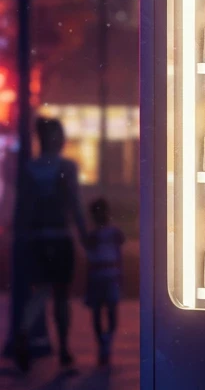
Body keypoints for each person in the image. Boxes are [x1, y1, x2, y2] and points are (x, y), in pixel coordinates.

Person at [13, 116, 87, 373]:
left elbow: (22, 208)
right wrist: (84, 233)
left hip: (36, 239)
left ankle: (23, 331)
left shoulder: (29, 169)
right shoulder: (66, 167)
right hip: (60, 236)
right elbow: (75, 204)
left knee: (41, 291)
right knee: (61, 296)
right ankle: (64, 349)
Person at [84, 197, 125, 366]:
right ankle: (104, 342)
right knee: (106, 311)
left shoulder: (108, 234)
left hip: (103, 276)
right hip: (106, 276)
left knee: (102, 311)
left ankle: (104, 342)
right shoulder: (109, 233)